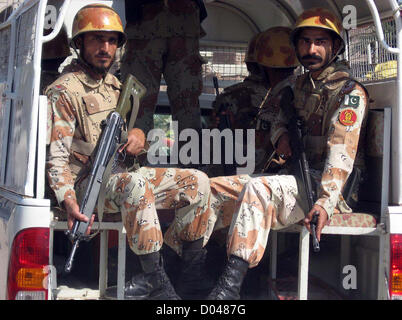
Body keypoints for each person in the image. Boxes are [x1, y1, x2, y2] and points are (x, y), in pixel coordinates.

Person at [45, 4, 212, 300]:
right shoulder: (65, 90)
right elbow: (57, 159)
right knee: (135, 184)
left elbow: (130, 142)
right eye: (96, 40)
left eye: (111, 41)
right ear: (79, 43)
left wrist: (139, 137)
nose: (105, 48)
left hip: (120, 175)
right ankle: (156, 284)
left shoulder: (116, 87)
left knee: (197, 181)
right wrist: (68, 200)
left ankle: (186, 272)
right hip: (88, 184)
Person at [207, 7, 369, 300]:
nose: (312, 48)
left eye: (320, 41)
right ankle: (188, 276)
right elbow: (276, 119)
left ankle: (227, 292)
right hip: (295, 180)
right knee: (212, 188)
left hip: (330, 190)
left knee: (257, 187)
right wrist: (281, 135)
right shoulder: (296, 87)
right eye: (305, 41)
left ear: (334, 46)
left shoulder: (348, 93)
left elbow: (341, 153)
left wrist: (325, 202)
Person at [121, 0, 207, 151]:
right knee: (138, 103)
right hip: (149, 21)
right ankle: (134, 167)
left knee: (186, 104)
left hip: (178, 22)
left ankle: (193, 169)